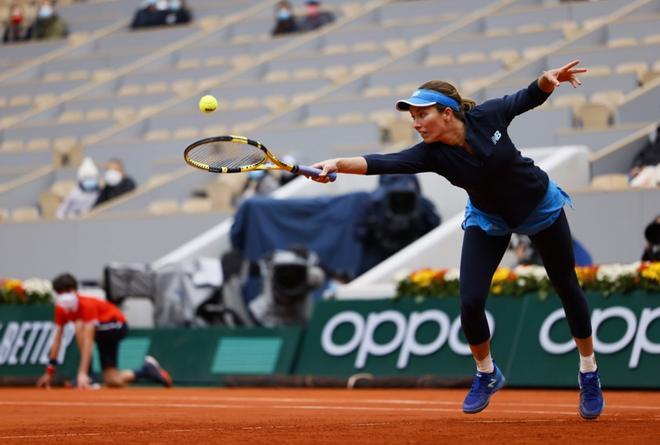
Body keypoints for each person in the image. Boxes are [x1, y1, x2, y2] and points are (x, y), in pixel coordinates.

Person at [310, 60, 605, 419]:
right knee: (470, 301)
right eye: (413, 117)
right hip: (489, 220)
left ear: (447, 114)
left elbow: (527, 97)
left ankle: (588, 371)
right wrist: (337, 164)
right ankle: (487, 373)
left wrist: (546, 81)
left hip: (539, 207)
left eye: (422, 115)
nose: (416, 124)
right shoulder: (430, 154)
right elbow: (382, 162)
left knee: (565, 285)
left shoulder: (488, 116)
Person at [37, 273, 172, 389]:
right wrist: (49, 372)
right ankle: (147, 370)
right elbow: (57, 339)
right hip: (102, 335)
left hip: (117, 326)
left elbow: (88, 339)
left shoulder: (86, 305)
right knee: (112, 380)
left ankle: (88, 375)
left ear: (74, 290)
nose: (63, 296)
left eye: (66, 291)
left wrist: (82, 373)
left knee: (79, 325)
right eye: (60, 293)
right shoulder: (60, 309)